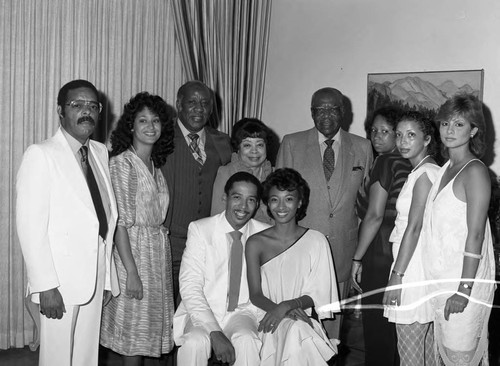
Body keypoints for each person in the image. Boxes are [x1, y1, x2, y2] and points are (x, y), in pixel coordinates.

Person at [16, 79, 119, 366]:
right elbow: (30, 227)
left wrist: (107, 278)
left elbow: (104, 218)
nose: (86, 111)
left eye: (92, 106)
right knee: (57, 359)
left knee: (87, 357)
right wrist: (44, 285)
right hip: (58, 284)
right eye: (77, 105)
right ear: (61, 111)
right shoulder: (41, 154)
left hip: (94, 279)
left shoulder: (99, 152)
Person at [276, 87, 373, 339]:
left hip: (342, 251)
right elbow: (278, 202)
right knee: (296, 328)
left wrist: (360, 255)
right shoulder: (292, 143)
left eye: (333, 109)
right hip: (300, 250)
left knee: (332, 334)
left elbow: (366, 204)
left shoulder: (363, 147)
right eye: (320, 109)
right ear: (311, 113)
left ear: (344, 112)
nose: (326, 115)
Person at [99, 92, 175, 364]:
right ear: (130, 126)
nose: (150, 126)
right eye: (143, 120)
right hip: (133, 256)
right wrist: (131, 272)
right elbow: (119, 225)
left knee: (144, 336)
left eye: (155, 120)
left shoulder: (154, 164)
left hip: (155, 257)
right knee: (132, 337)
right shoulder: (122, 164)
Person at [420, 94, 495, 366]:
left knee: (460, 358)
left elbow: (476, 235)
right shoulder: (444, 169)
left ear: (473, 129)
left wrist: (463, 290)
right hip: (440, 282)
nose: (449, 131)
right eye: (445, 123)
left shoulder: (475, 171)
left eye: (459, 125)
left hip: (464, 286)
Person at [173, 172, 270, 366]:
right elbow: (190, 285)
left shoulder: (264, 234)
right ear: (225, 198)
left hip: (243, 312)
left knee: (248, 341)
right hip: (204, 309)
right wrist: (214, 331)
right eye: (237, 197)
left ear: (258, 204)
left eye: (251, 200)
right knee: (194, 342)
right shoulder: (201, 229)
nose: (243, 206)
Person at [246, 168, 340, 365]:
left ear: (299, 203)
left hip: (302, 317)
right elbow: (255, 294)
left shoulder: (316, 240)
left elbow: (320, 292)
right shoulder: (255, 242)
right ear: (267, 204)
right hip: (267, 316)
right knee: (295, 330)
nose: (281, 206)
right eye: (274, 199)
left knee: (297, 329)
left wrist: (288, 306)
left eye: (289, 199)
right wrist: (280, 310)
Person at [161, 80, 232, 306]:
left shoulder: (222, 142)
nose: (199, 109)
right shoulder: (160, 137)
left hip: (206, 243)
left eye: (205, 103)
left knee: (197, 309)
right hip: (169, 242)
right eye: (192, 102)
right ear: (179, 104)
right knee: (166, 309)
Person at [351, 106, 412, 366]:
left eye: (385, 131)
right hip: (401, 252)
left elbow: (374, 216)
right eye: (373, 130)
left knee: (376, 330)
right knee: (396, 330)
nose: (377, 137)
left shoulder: (386, 162)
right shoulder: (410, 161)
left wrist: (357, 258)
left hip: (378, 252)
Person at [381, 111, 440, 366]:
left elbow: (414, 228)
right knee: (425, 354)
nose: (403, 141)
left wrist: (397, 276)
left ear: (427, 139)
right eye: (399, 135)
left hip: (412, 272)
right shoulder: (424, 171)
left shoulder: (426, 173)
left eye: (411, 135)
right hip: (416, 268)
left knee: (411, 358)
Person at [211, 118, 273, 223]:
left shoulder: (274, 174)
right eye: (247, 145)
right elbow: (217, 218)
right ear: (238, 148)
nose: (254, 151)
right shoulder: (226, 172)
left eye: (260, 145)